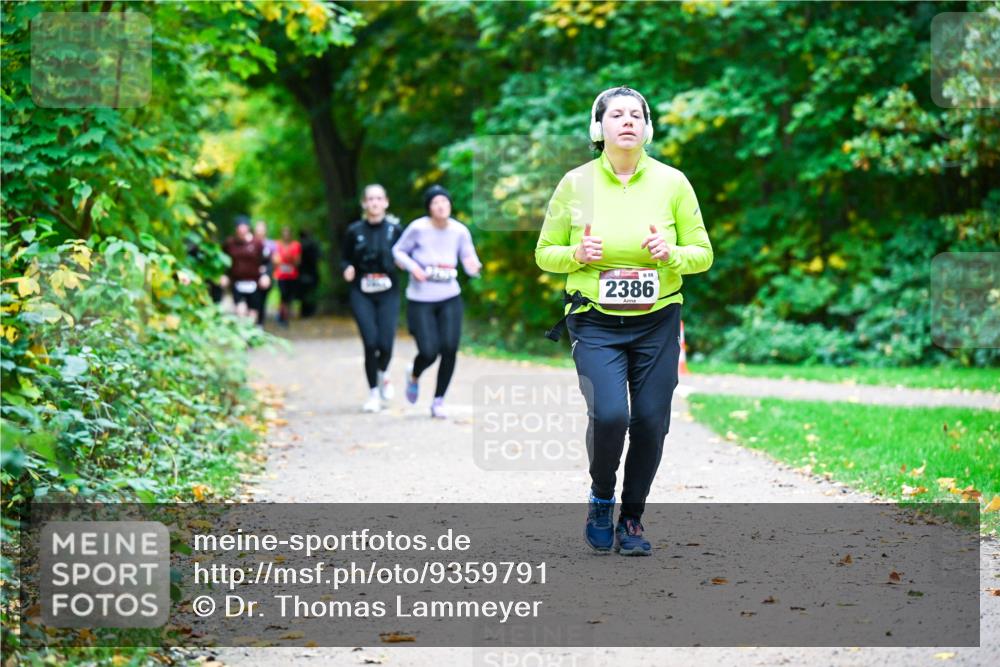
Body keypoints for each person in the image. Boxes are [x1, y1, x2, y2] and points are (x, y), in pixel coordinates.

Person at [535, 86, 713, 556]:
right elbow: (544, 253)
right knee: (611, 414)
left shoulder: (673, 183)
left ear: (648, 127)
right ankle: (600, 497)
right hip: (593, 320)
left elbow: (703, 254)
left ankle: (631, 518)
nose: (628, 121)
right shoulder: (575, 184)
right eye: (617, 115)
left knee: (651, 422)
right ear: (600, 128)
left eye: (636, 114)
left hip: (657, 320)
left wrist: (670, 253)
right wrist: (575, 253)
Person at [392, 185, 482, 419]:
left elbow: (468, 256)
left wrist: (473, 267)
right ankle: (414, 373)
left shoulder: (459, 231)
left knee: (450, 348)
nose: (441, 206)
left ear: (450, 205)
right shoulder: (418, 228)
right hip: (421, 298)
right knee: (429, 351)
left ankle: (438, 400)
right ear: (429, 207)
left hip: (450, 296)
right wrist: (414, 267)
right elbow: (398, 251)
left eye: (445, 201)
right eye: (436, 202)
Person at [342, 184, 404, 413]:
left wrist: (403, 263)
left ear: (386, 202)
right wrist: (347, 268)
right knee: (370, 342)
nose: (375, 203)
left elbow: (409, 254)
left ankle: (383, 373)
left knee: (385, 343)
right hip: (362, 291)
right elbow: (344, 258)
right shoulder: (354, 231)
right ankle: (373, 393)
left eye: (379, 198)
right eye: (370, 199)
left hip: (388, 290)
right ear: (364, 203)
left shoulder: (396, 230)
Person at [221, 219, 270, 322]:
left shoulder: (257, 244)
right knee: (240, 311)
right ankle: (243, 332)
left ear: (248, 228)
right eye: (239, 230)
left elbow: (266, 261)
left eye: (244, 229)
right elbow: (223, 260)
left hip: (254, 283)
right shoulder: (230, 243)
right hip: (237, 282)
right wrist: (224, 275)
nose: (242, 232)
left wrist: (265, 275)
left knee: (253, 312)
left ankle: (252, 332)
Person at [273, 227, 301, 326]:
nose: (286, 235)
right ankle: (282, 316)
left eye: (287, 233)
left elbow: (297, 261)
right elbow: (276, 260)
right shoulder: (277, 244)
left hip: (292, 276)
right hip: (281, 275)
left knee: (289, 297)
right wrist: (288, 258)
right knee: (283, 295)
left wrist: (286, 258)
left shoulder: (296, 245)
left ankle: (285, 315)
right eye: (284, 233)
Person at [253, 220, 276, 325]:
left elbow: (275, 261)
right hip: (252, 276)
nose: (260, 231)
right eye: (258, 228)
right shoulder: (250, 242)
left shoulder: (270, 244)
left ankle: (260, 323)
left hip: (266, 277)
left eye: (262, 228)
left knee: (262, 301)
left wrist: (266, 273)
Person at [297, 230, 320, 318]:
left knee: (304, 294)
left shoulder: (299, 245)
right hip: (311, 272)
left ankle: (305, 311)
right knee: (310, 292)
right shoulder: (314, 244)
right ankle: (310, 311)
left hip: (303, 273)